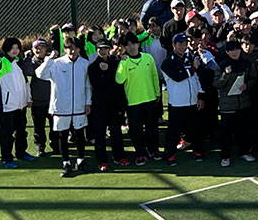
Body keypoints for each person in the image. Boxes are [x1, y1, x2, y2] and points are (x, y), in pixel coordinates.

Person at [36, 38, 92, 178]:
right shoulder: (56, 63)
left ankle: (80, 161)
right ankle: (66, 163)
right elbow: (40, 74)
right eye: (69, 48)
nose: (72, 51)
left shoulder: (85, 64)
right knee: (63, 135)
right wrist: (49, 60)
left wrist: (88, 102)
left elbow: (88, 85)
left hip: (79, 106)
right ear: (65, 49)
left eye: (75, 48)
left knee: (79, 134)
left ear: (79, 49)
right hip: (61, 107)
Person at [0, 37, 34, 168]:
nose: (15, 51)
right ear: (6, 49)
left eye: (17, 48)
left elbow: (25, 83)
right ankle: (7, 158)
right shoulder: (1, 63)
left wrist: (28, 98)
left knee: (22, 131)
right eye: (12, 48)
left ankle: (21, 152)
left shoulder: (19, 63)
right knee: (7, 134)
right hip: (7, 107)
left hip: (21, 105)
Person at [160, 33, 208, 167]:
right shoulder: (168, 62)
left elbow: (199, 78)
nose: (183, 46)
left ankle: (198, 151)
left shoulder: (190, 57)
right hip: (177, 103)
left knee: (196, 128)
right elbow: (178, 77)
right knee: (174, 131)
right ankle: (170, 154)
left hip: (193, 101)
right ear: (173, 45)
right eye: (180, 44)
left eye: (185, 43)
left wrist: (201, 96)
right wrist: (193, 68)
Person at [116, 33, 162, 165]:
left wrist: (157, 93)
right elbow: (119, 79)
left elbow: (154, 76)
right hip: (133, 102)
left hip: (150, 99)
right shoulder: (124, 62)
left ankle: (154, 149)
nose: (131, 47)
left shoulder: (148, 58)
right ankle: (140, 153)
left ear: (138, 44)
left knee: (152, 127)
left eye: (133, 44)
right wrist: (123, 62)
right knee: (136, 130)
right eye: (127, 45)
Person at [86, 38, 128, 171]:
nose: (103, 51)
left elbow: (118, 82)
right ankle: (102, 160)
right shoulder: (92, 67)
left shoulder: (116, 62)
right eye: (100, 49)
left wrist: (108, 70)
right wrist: (103, 72)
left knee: (116, 132)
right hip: (99, 105)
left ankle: (119, 156)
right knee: (99, 134)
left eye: (105, 48)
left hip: (114, 104)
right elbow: (97, 85)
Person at [214, 40, 256, 167]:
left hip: (244, 103)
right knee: (226, 133)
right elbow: (217, 84)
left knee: (244, 131)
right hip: (227, 105)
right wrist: (225, 75)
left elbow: (254, 79)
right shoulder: (222, 65)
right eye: (231, 50)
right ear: (227, 52)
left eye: (236, 49)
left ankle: (245, 152)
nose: (234, 52)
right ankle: (225, 156)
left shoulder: (247, 64)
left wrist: (247, 85)